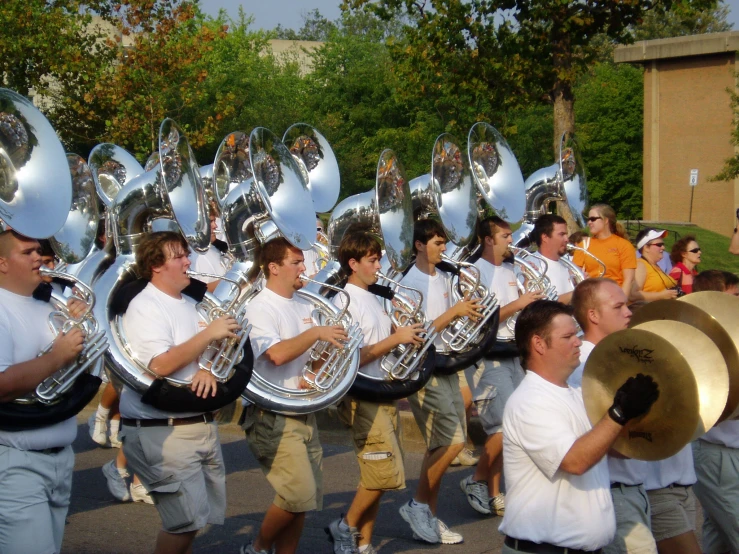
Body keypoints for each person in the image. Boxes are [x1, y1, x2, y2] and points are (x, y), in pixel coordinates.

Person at [500, 300, 659, 554]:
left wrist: (641, 411)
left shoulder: (576, 394)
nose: (578, 342)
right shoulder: (529, 401)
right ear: (539, 344)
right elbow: (574, 461)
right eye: (568, 336)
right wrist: (618, 413)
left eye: (576, 333)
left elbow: (611, 448)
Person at [121, 231, 238, 554]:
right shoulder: (144, 305)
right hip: (163, 431)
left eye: (186, 255)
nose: (189, 262)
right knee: (183, 524)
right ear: (156, 266)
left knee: (195, 521)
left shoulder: (190, 303)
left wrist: (207, 367)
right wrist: (209, 335)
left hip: (197, 424)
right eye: (179, 257)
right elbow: (159, 364)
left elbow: (199, 356)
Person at [241, 237, 347, 554]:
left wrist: (322, 360)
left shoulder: (304, 304)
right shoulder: (259, 307)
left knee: (304, 499)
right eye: (296, 262)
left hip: (303, 409)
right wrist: (315, 333)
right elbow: (275, 354)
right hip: (271, 415)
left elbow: (309, 357)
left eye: (303, 261)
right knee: (297, 493)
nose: (305, 267)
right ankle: (257, 548)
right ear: (273, 268)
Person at [326, 230, 425, 554]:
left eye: (378, 258)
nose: (379, 265)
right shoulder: (345, 302)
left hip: (382, 393)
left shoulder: (375, 298)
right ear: (352, 264)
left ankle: (363, 543)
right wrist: (396, 339)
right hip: (362, 397)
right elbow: (353, 358)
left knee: (376, 473)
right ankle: (345, 527)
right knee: (383, 472)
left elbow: (379, 350)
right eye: (372, 260)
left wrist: (400, 335)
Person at [397, 218, 483, 545]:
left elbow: (454, 317)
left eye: (444, 243)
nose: (444, 248)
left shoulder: (446, 275)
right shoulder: (408, 282)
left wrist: (471, 313)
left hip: (447, 361)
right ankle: (418, 504)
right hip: (422, 366)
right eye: (437, 243)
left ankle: (428, 516)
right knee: (454, 442)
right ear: (419, 244)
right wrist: (455, 313)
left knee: (439, 446)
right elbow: (414, 334)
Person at [0, 230, 86, 553]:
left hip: (60, 459)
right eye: (28, 252)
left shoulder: (51, 301)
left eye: (39, 250)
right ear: (2, 263)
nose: (39, 257)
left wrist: (79, 326)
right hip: (16, 461)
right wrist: (57, 357)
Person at [460, 216, 542, 517]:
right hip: (487, 355)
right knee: (504, 427)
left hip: (514, 350)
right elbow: (480, 320)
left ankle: (494, 492)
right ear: (488, 239)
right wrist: (519, 304)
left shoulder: (511, 268)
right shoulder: (471, 272)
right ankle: (477, 479)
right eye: (506, 235)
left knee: (515, 424)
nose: (512, 240)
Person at [570, 279, 658, 554]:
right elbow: (593, 438)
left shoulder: (619, 356)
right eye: (618, 306)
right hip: (611, 490)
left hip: (632, 488)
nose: (629, 312)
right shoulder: (581, 364)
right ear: (593, 315)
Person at [691, 279, 739, 554]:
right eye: (733, 296)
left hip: (729, 454)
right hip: (718, 454)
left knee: (719, 539)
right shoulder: (704, 343)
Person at [573, 204, 637, 297]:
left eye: (593, 219)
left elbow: (629, 280)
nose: (589, 222)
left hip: (615, 295)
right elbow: (574, 273)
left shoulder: (624, 245)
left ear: (606, 220)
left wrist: (621, 303)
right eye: (588, 219)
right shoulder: (584, 245)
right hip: (592, 296)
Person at [531, 214, 575, 304]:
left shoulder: (568, 263)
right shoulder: (531, 264)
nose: (567, 239)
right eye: (562, 234)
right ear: (545, 237)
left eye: (566, 234)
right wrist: (580, 292)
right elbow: (540, 305)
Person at [630, 229, 678, 303]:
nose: (663, 248)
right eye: (659, 245)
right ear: (646, 248)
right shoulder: (641, 265)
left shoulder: (655, 266)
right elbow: (632, 294)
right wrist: (660, 296)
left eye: (663, 244)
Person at [188, 204, 228, 292]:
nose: (215, 226)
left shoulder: (212, 246)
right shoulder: (190, 256)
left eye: (214, 221)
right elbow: (199, 291)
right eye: (210, 221)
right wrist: (232, 279)